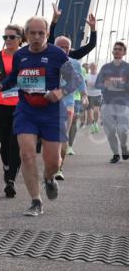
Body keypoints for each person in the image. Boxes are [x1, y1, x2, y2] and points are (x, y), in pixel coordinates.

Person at [0, 16, 80, 216]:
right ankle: (35, 200)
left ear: (47, 34)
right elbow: (14, 77)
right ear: (26, 34)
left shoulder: (57, 55)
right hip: (27, 111)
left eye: (41, 33)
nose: (36, 37)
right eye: (32, 33)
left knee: (53, 162)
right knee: (26, 154)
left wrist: (60, 92)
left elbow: (73, 81)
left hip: (52, 113)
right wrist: (1, 85)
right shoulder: (20, 55)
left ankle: (49, 178)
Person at [0, 25, 24, 198]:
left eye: (12, 37)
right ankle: (7, 167)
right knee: (3, 141)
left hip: (21, 104)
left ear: (20, 39)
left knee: (14, 143)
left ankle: (11, 180)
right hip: (0, 103)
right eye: (5, 37)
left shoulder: (25, 56)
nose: (8, 40)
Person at [54, 35, 86, 179]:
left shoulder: (74, 63)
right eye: (61, 46)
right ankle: (52, 164)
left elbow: (80, 81)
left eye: (67, 47)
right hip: (48, 104)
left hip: (67, 103)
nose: (64, 49)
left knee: (62, 137)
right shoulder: (48, 62)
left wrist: (84, 95)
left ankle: (59, 169)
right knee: (50, 139)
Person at [96, 41, 129, 163]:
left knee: (123, 130)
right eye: (115, 49)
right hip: (107, 103)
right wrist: (105, 86)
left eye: (120, 49)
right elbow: (98, 83)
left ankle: (124, 147)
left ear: (124, 52)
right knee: (109, 131)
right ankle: (115, 153)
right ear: (112, 51)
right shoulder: (105, 67)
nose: (117, 51)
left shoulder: (127, 68)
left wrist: (121, 84)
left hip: (123, 103)